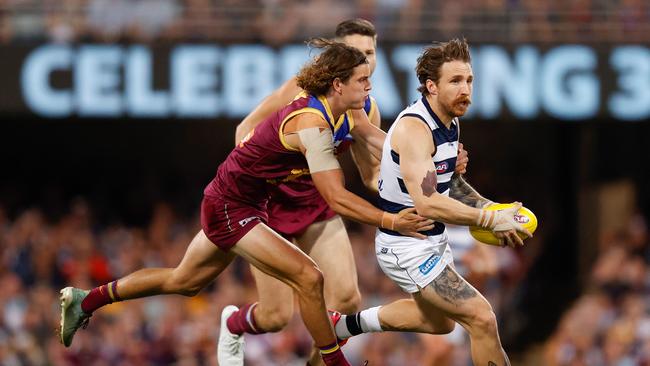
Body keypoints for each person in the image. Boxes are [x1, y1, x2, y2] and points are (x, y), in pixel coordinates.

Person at [58, 39, 434, 366]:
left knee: (183, 281)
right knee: (309, 277)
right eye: (363, 79)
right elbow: (336, 196)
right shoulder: (312, 125)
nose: (371, 85)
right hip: (232, 207)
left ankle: (85, 301)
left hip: (245, 201)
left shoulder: (345, 111)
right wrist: (392, 221)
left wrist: (434, 159)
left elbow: (380, 141)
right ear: (338, 84)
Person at [223, 19, 469, 366]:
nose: (365, 62)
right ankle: (234, 322)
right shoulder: (299, 92)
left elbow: (376, 175)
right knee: (275, 317)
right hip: (267, 206)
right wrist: (248, 180)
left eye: (369, 53)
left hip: (316, 203)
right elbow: (244, 128)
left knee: (348, 301)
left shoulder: (366, 109)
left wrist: (435, 161)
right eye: (356, 54)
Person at [330, 38, 532, 366]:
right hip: (405, 244)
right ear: (431, 87)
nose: (465, 89)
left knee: (441, 323)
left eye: (469, 80)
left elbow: (450, 183)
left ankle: (345, 325)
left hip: (432, 239)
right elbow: (427, 202)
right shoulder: (415, 129)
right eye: (455, 81)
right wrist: (490, 221)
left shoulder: (450, 121)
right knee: (482, 319)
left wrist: (495, 209)